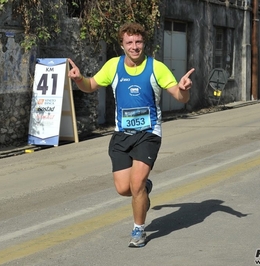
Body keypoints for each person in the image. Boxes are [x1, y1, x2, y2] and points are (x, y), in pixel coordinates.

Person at [68, 22, 194, 247]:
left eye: (138, 42)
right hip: (122, 135)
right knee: (123, 189)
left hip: (148, 134)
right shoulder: (113, 66)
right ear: (122, 45)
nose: (134, 46)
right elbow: (91, 85)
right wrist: (79, 79)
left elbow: (179, 96)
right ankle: (145, 189)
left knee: (135, 185)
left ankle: (138, 230)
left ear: (143, 43)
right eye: (129, 42)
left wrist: (184, 90)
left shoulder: (156, 67)